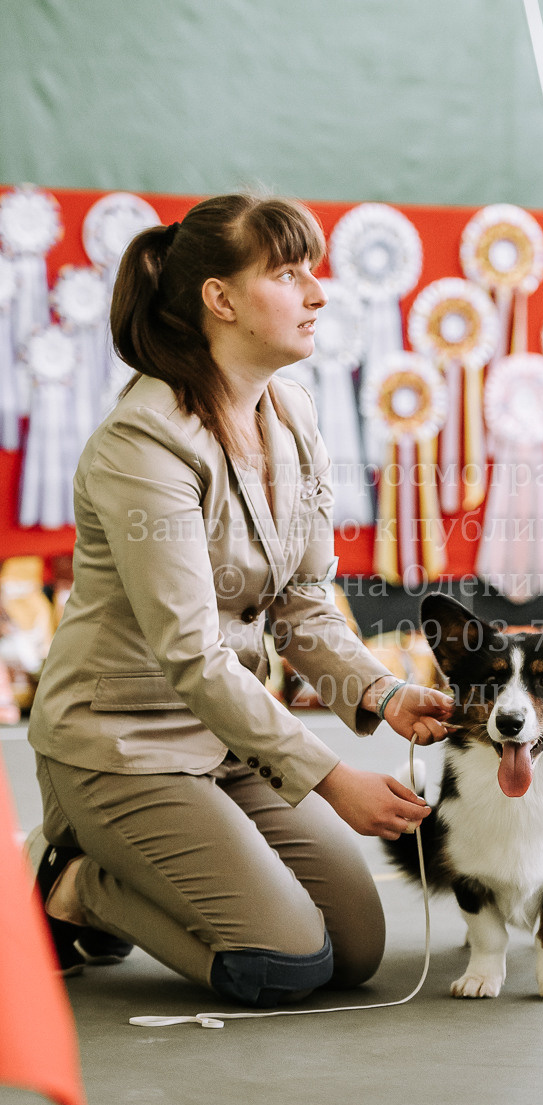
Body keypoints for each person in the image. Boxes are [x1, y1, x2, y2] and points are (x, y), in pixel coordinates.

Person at [26, 192, 453, 1008]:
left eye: (312, 274)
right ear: (218, 300)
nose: (318, 294)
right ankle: (71, 882)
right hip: (120, 744)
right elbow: (191, 654)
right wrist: (331, 778)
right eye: (289, 275)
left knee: (356, 950)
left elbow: (301, 601)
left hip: (223, 742)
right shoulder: (141, 444)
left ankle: (107, 876)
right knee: (282, 963)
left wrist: (382, 692)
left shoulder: (292, 416)